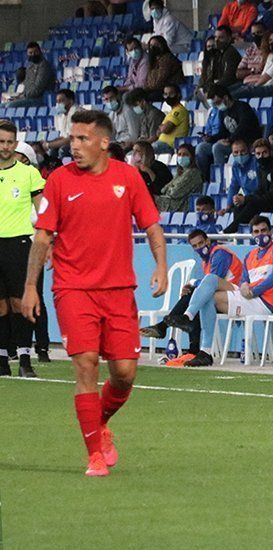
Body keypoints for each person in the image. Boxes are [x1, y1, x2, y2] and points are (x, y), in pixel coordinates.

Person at [23, 109, 168, 477]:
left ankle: (98, 424)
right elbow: (42, 237)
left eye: (82, 139)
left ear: (104, 142)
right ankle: (94, 455)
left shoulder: (128, 177)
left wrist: (161, 265)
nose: (74, 145)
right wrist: (30, 287)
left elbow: (151, 226)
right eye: (72, 138)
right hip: (73, 289)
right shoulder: (58, 180)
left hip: (119, 290)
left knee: (124, 373)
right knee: (86, 364)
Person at [165, 216, 273, 367]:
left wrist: (254, 290)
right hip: (247, 296)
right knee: (210, 281)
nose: (260, 235)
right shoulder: (250, 255)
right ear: (252, 235)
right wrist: (243, 285)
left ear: (271, 232)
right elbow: (244, 279)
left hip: (264, 302)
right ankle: (198, 338)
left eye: (263, 230)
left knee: (209, 294)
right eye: (256, 232)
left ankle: (200, 343)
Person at [140, 229, 244, 365]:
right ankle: (189, 349)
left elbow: (213, 281)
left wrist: (192, 283)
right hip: (221, 298)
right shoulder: (206, 262)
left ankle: (165, 328)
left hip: (234, 299)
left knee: (196, 297)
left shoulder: (220, 254)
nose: (199, 248)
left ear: (208, 241)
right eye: (195, 246)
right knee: (196, 298)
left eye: (201, 243)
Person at [0, 121, 44, 377]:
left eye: (9, 142)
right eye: (1, 142)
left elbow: (44, 212)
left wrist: (48, 241)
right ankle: (3, 359)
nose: (5, 147)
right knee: (1, 307)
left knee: (21, 303)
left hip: (19, 244)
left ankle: (26, 358)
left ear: (16, 145)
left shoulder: (29, 174)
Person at [11, 141, 50, 364]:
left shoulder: (34, 181)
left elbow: (40, 214)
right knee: (11, 298)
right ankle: (14, 346)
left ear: (25, 158)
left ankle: (42, 346)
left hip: (33, 244)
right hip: (12, 244)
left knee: (36, 296)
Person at [222, 139, 273, 232]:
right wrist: (244, 199)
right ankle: (239, 234)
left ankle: (229, 231)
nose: (261, 156)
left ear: (270, 152)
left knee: (254, 204)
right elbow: (261, 190)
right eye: (258, 154)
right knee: (239, 207)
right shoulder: (264, 168)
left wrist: (247, 199)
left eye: (264, 153)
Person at [196, 85, 263, 183]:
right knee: (201, 147)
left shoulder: (242, 107)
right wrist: (211, 138)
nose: (217, 106)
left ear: (226, 97)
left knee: (217, 148)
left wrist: (230, 140)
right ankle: (206, 180)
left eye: (218, 102)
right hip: (232, 142)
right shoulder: (223, 112)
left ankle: (221, 180)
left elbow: (243, 128)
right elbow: (223, 132)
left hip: (246, 143)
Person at [4, 43, 55, 108]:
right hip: (28, 97)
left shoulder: (44, 66)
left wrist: (25, 95)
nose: (33, 54)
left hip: (40, 99)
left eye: (35, 52)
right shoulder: (30, 66)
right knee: (2, 106)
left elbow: (38, 88)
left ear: (40, 52)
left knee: (10, 106)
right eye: (30, 53)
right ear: (27, 54)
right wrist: (20, 96)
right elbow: (27, 84)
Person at [155, 144, 202, 212]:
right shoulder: (180, 173)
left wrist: (171, 188)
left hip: (181, 206)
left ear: (192, 157)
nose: (182, 157)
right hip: (171, 203)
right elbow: (163, 190)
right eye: (179, 154)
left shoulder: (193, 173)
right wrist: (172, 187)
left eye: (185, 154)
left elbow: (175, 193)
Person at [200, 26, 242, 96]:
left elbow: (229, 77)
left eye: (221, 38)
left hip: (231, 87)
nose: (216, 40)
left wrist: (214, 87)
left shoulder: (230, 52)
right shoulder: (217, 54)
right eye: (216, 37)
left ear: (229, 39)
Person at [144, 35, 185, 101]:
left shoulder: (167, 59)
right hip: (156, 88)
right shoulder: (153, 61)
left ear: (162, 45)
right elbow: (148, 79)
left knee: (148, 97)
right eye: (151, 45)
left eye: (156, 45)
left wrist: (149, 87)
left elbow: (160, 79)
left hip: (170, 90)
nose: (153, 47)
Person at [153, 85, 190, 154]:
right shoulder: (171, 112)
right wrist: (162, 128)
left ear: (178, 95)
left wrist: (162, 127)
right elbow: (158, 132)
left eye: (171, 94)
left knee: (144, 153)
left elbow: (165, 129)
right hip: (161, 144)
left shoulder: (179, 110)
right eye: (166, 94)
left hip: (170, 146)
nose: (168, 97)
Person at [43, 90, 78, 159]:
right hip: (68, 141)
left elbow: (71, 138)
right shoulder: (61, 116)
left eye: (61, 101)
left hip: (78, 142)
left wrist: (49, 145)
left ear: (70, 101)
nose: (58, 104)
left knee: (63, 149)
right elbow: (63, 136)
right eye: (57, 101)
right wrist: (48, 142)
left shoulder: (77, 114)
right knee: (52, 150)